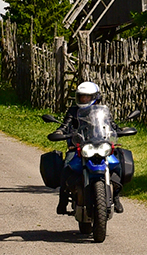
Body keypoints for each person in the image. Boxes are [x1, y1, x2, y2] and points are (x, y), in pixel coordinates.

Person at [48, 81, 126, 214]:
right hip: (79, 146)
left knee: (118, 165)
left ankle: (116, 196)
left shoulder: (102, 111)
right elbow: (65, 125)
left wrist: (120, 130)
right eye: (81, 96)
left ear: (95, 97)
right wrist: (60, 132)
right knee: (66, 167)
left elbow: (111, 125)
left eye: (87, 97)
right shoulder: (73, 111)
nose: (83, 99)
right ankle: (63, 200)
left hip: (100, 144)